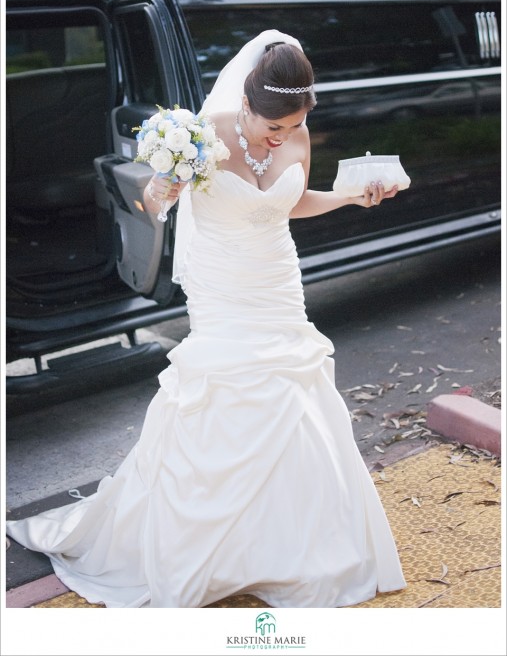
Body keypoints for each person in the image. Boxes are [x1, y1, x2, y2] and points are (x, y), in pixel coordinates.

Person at [6, 30, 406, 608]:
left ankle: (289, 550)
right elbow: (152, 202)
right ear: (245, 105)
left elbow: (289, 204)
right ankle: (205, 550)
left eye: (295, 126)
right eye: (276, 127)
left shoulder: (298, 134)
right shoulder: (197, 133)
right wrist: (162, 186)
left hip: (277, 282)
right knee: (221, 405)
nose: (286, 137)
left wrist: (349, 199)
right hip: (223, 288)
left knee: (295, 400)